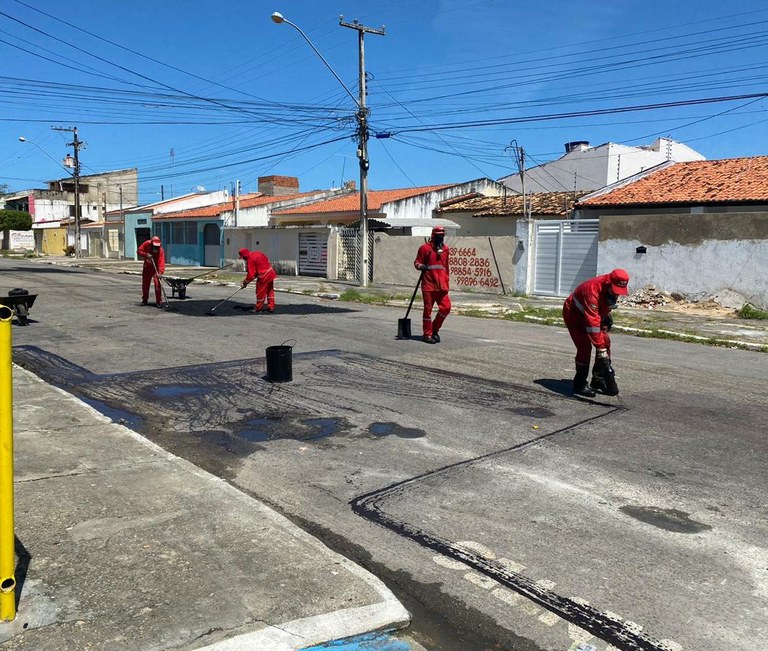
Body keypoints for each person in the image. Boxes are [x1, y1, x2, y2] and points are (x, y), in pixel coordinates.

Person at [562, 268, 629, 396]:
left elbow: (605, 305)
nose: (616, 294)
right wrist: (600, 348)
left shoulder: (613, 287)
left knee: (605, 341)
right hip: (575, 315)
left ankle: (598, 380)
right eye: (615, 290)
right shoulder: (592, 290)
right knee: (585, 347)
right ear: (609, 283)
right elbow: (592, 323)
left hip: (595, 314)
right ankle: (580, 383)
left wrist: (606, 317)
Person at [414, 225, 451, 344]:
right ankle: (427, 334)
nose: (440, 238)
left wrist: (447, 280)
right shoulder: (424, 248)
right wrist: (421, 266)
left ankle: (435, 329)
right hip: (429, 285)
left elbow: (446, 267)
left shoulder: (445, 249)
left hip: (442, 285)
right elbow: (417, 262)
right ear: (433, 235)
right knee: (428, 311)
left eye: (442, 236)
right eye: (438, 236)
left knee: (446, 308)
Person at [239, 247, 277, 313]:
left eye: (243, 258)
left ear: (244, 256)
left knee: (260, 292)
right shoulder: (257, 253)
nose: (244, 259)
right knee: (270, 291)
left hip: (264, 275)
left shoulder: (250, 259)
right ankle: (271, 307)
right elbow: (261, 265)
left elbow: (251, 274)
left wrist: (245, 282)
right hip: (271, 272)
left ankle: (259, 308)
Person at [137, 235, 165, 306]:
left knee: (158, 285)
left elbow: (161, 262)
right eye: (154, 246)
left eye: (157, 246)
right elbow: (139, 251)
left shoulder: (160, 250)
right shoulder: (146, 244)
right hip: (147, 267)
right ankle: (145, 299)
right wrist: (146, 254)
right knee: (145, 284)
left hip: (156, 269)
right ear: (151, 243)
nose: (156, 247)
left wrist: (160, 272)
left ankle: (159, 301)